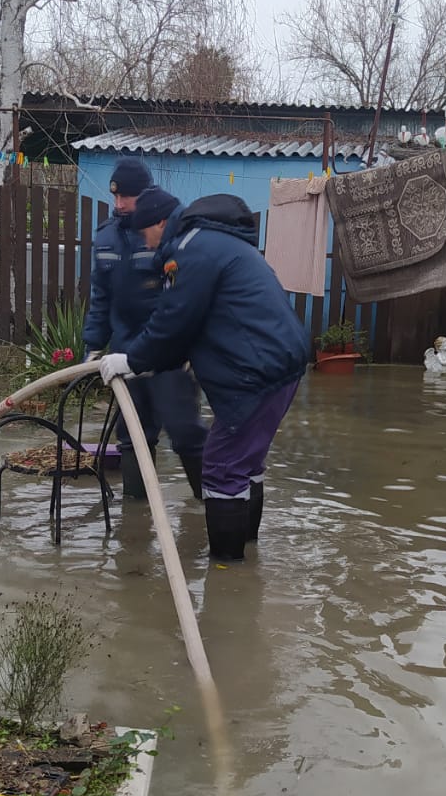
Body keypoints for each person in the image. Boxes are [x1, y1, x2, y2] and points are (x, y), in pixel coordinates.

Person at [99, 192, 311, 562]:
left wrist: (131, 360)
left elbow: (174, 322)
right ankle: (247, 553)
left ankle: (227, 578)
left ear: (161, 223)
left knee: (222, 465)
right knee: (246, 462)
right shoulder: (215, 243)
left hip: (254, 373)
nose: (142, 241)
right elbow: (195, 324)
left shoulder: (191, 251)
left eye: (144, 231)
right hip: (281, 365)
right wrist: (153, 360)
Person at [82, 157, 208, 501]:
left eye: (128, 198)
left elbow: (184, 297)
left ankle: (209, 506)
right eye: (117, 197)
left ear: (147, 194)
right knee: (133, 434)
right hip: (125, 350)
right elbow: (100, 297)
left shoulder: (166, 228)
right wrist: (93, 346)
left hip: (168, 352)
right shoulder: (106, 236)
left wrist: (187, 350)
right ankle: (135, 519)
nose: (120, 204)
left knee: (183, 430)